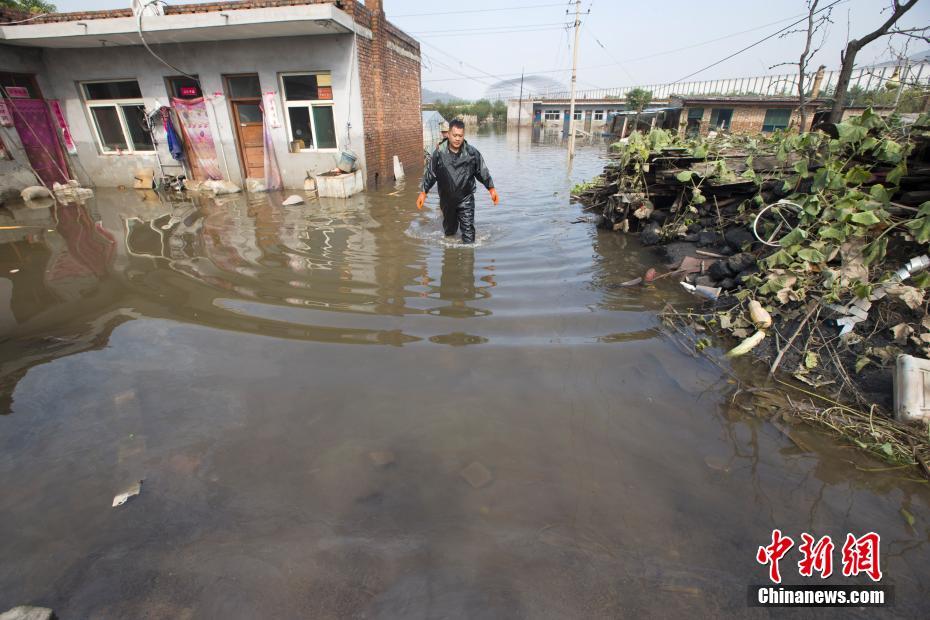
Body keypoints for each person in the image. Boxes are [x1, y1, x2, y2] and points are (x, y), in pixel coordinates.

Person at [417, 119, 499, 244]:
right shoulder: (439, 153)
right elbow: (430, 174)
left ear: (463, 135)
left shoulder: (472, 153)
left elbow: (482, 171)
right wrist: (423, 192)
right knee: (449, 233)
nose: (457, 139)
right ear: (448, 134)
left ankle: (468, 259)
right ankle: (450, 260)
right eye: (454, 135)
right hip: (446, 200)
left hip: (465, 199)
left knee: (469, 235)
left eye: (460, 136)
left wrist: (491, 189)